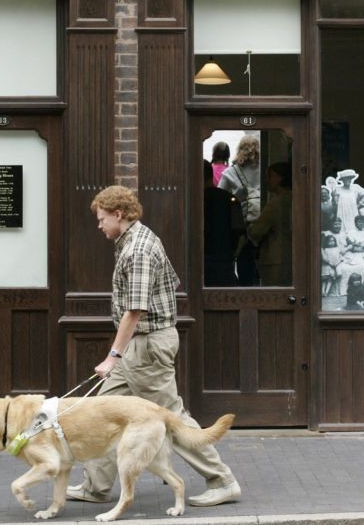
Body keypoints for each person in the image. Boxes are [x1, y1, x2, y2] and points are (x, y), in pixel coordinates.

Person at [70, 185, 241, 508]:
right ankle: (96, 485)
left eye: (101, 218)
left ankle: (222, 480)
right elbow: (168, 285)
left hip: (146, 348)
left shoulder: (138, 250)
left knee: (172, 419)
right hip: (138, 347)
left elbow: (135, 310)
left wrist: (112, 357)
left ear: (118, 215)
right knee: (102, 413)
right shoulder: (136, 240)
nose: (99, 225)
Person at [217, 135, 261, 286]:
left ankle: (245, 292)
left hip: (241, 223)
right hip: (264, 222)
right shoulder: (265, 167)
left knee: (244, 260)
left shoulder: (231, 172)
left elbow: (219, 195)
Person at [248, 162, 293, 286]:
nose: (266, 180)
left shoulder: (276, 203)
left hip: (275, 259)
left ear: (280, 178)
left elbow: (257, 231)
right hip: (293, 257)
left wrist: (250, 228)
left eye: (270, 176)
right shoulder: (297, 199)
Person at [203, 161, 239, 287]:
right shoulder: (230, 199)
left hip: (198, 261)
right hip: (224, 259)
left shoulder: (188, 201)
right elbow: (239, 231)